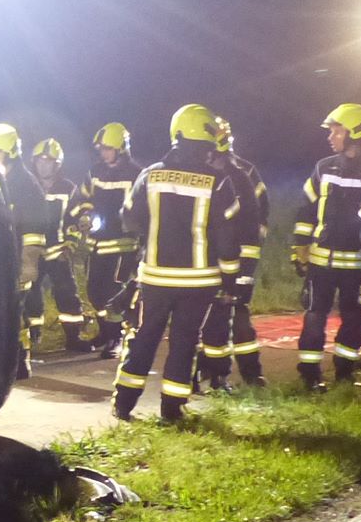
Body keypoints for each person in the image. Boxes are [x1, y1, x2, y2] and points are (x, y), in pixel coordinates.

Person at [114, 104, 244, 424]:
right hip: (199, 281)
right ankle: (172, 410)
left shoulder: (150, 174)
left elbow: (128, 219)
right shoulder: (219, 181)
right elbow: (229, 239)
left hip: (155, 278)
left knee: (144, 337)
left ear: (177, 133)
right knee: (185, 342)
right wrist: (230, 281)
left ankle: (124, 402)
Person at [291, 103, 361, 389]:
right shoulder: (324, 167)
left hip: (356, 263)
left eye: (336, 131)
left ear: (355, 133)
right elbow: (306, 210)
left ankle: (345, 372)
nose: (331, 137)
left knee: (354, 318)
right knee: (314, 316)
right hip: (321, 260)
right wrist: (300, 247)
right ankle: (309, 373)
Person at [198, 119, 267, 389]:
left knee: (237, 315)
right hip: (208, 260)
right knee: (210, 317)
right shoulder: (200, 172)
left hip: (239, 260)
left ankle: (250, 373)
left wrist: (245, 269)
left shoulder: (244, 175)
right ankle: (211, 374)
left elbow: (256, 222)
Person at [76, 123, 139, 357]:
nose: (104, 153)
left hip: (123, 245)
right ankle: (105, 331)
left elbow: (142, 207)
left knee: (114, 293)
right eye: (101, 149)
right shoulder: (95, 172)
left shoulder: (135, 174)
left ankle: (117, 338)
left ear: (121, 148)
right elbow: (83, 197)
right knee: (94, 291)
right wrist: (85, 213)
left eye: (108, 148)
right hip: (98, 243)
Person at [0, 123, 40, 379]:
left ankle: (21, 360)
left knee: (15, 313)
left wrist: (28, 261)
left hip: (16, 260)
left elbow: (34, 227)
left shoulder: (24, 184)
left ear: (8, 152)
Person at [26, 137, 87, 355]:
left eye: (49, 161)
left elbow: (75, 221)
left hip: (57, 252)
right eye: (40, 161)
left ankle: (73, 338)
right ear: (34, 162)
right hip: (33, 252)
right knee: (30, 296)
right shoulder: (27, 186)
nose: (44, 165)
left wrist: (69, 245)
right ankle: (32, 339)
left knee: (67, 293)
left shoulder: (68, 189)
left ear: (57, 164)